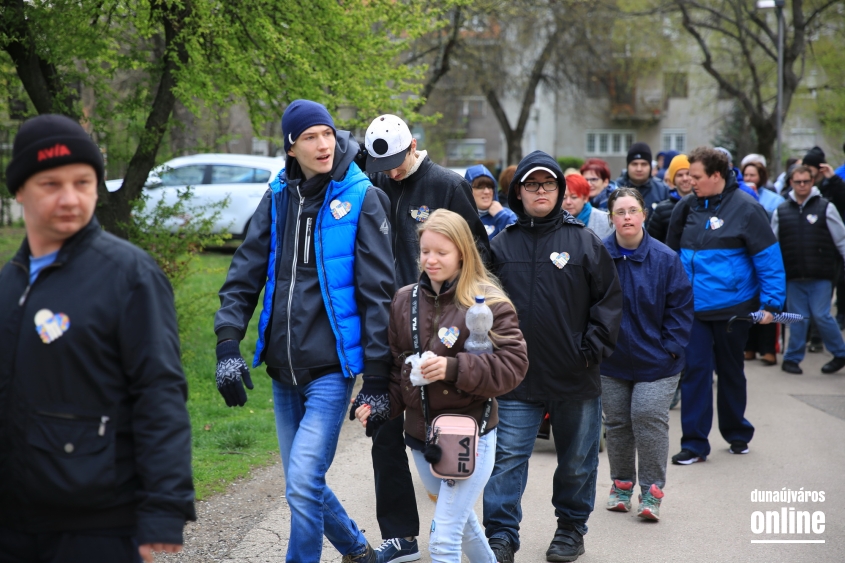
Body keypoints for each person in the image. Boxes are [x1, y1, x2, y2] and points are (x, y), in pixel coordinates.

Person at [0, 114, 195, 562]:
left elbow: (159, 392)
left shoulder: (130, 275)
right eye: (51, 184)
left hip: (98, 526)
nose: (70, 198)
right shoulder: (8, 286)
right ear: (19, 190)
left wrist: (163, 509)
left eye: (83, 182)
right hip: (12, 524)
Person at [214, 100, 395, 563]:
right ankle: (357, 550)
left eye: (328, 134)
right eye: (310, 137)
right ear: (291, 147)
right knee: (305, 480)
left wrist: (376, 380)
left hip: (330, 371)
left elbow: (378, 293)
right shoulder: (277, 195)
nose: (323, 144)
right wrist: (227, 344)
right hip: (282, 368)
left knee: (300, 481)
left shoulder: (361, 196)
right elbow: (244, 273)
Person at [355, 209, 528, 563]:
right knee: (465, 529)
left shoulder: (489, 301)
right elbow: (395, 371)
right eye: (425, 251)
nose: (430, 260)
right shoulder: (403, 300)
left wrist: (451, 368)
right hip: (421, 439)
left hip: (472, 436)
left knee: (443, 542)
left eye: (441, 253)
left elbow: (513, 366)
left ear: (462, 253)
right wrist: (378, 404)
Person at [482, 151, 622, 563]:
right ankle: (502, 536)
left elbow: (609, 303)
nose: (540, 191)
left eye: (548, 184)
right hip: (515, 378)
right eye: (531, 185)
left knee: (577, 462)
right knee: (507, 461)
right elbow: (480, 303)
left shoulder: (583, 241)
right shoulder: (500, 246)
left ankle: (571, 530)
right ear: (518, 193)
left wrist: (590, 351)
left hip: (574, 375)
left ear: (561, 191)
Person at [363, 114, 491, 563]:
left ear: (414, 145)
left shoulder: (446, 185)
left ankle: (461, 528)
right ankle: (400, 536)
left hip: (441, 321)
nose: (393, 171)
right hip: (389, 320)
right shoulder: (373, 184)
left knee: (434, 428)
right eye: (385, 166)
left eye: (398, 162)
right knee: (383, 422)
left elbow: (478, 252)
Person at [666, 147, 785, 465]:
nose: (690, 181)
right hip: (694, 309)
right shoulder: (686, 207)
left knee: (732, 371)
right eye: (689, 176)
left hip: (735, 308)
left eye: (696, 176)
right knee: (696, 372)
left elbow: (769, 259)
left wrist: (771, 304)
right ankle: (693, 443)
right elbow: (670, 255)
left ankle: (736, 433)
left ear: (716, 176)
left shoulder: (747, 208)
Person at [601, 188, 694, 522]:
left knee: (646, 417)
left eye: (632, 210)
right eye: (619, 212)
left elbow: (681, 309)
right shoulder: (599, 256)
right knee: (617, 422)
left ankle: (652, 492)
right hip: (611, 360)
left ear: (643, 214)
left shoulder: (665, 258)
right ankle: (622, 485)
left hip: (658, 360)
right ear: (611, 218)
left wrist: (670, 347)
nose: (626, 217)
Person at [772, 165, 845, 375]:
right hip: (794, 274)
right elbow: (772, 244)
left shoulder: (825, 207)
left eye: (806, 181)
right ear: (791, 183)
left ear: (812, 182)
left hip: (821, 274)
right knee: (797, 317)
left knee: (821, 315)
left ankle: (840, 353)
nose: (802, 185)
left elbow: (841, 240)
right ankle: (792, 358)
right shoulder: (781, 210)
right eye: (798, 182)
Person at [740, 161, 785, 367]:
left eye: (753, 175)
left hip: (764, 257)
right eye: (746, 175)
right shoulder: (737, 201)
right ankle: (749, 347)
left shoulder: (773, 200)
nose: (750, 179)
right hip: (745, 262)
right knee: (749, 307)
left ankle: (768, 349)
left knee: (768, 306)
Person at [616, 142, 669, 226]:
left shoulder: (663, 190)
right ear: (627, 166)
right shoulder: (615, 189)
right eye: (634, 164)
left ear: (650, 167)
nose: (639, 169)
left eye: (644, 164)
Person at [647, 154, 693, 243]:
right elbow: (651, 243)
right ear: (673, 179)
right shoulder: (661, 210)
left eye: (688, 174)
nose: (685, 178)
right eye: (679, 175)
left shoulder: (703, 205)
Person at [465, 164, 517, 240]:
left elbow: (518, 240)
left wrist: (501, 216)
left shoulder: (507, 215)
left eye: (490, 187)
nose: (487, 191)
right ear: (468, 190)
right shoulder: (460, 217)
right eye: (479, 187)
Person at [561, 173, 613, 239]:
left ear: (585, 198)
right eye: (563, 198)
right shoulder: (554, 222)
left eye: (574, 197)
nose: (568, 202)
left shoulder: (606, 220)